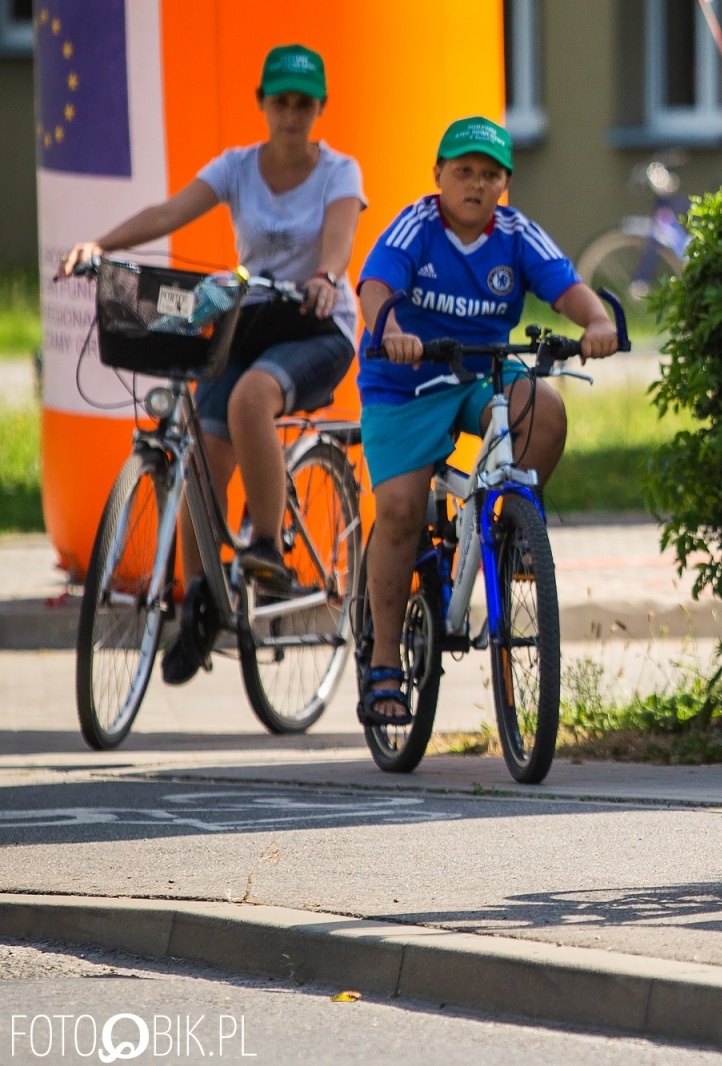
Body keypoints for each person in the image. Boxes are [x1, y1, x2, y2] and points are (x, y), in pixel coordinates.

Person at [59, 43, 364, 684]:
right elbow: (169, 211)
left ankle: (265, 544)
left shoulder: (339, 171)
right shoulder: (236, 167)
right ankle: (201, 603)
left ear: (319, 110)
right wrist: (101, 244)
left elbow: (339, 238)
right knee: (200, 454)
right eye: (279, 101)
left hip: (316, 326)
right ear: (261, 103)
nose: (290, 114)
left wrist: (326, 276)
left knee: (252, 399)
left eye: (303, 104)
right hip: (248, 322)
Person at [355, 116, 620, 726]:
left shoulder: (515, 232)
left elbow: (568, 288)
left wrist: (597, 325)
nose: (476, 185)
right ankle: (385, 664)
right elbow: (374, 287)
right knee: (399, 511)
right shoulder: (416, 226)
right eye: (464, 172)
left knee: (545, 407)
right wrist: (390, 332)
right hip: (406, 383)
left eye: (490, 175)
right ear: (439, 177)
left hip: (481, 378)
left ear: (505, 184)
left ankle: (511, 529)